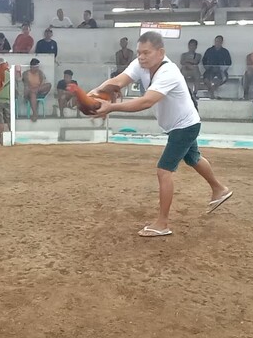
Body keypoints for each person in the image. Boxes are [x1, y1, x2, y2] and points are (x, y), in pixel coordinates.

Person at [88, 31, 231, 237]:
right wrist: (94, 92)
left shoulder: (168, 72)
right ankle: (219, 189)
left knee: (164, 171)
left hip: (184, 126)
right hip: (181, 124)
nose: (141, 57)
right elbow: (118, 81)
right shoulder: (141, 65)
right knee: (194, 158)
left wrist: (110, 108)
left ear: (160, 52)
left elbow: (146, 101)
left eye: (146, 53)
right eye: (139, 53)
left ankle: (162, 223)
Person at [0, 58, 11, 144]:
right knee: (9, 119)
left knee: (0, 120)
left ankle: (1, 137)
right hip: (8, 99)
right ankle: (12, 136)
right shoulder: (9, 74)